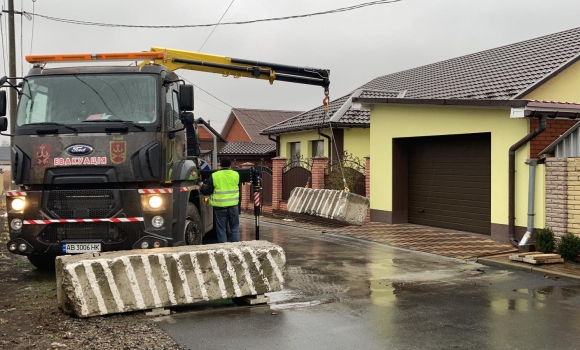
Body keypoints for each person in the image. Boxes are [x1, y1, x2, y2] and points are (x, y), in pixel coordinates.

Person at [201, 157, 240, 243]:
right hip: (233, 206)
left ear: (220, 165)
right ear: (230, 165)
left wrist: (202, 186)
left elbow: (208, 190)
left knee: (221, 229)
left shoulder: (215, 175)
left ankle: (224, 250)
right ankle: (236, 248)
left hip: (220, 207)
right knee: (234, 228)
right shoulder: (236, 174)